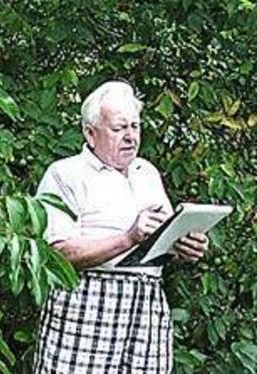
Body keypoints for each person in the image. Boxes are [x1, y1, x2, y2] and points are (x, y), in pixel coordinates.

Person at [32, 81, 209, 373]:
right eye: (118, 129)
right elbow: (56, 254)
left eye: (135, 127)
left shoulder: (147, 172)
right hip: (87, 301)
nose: (130, 137)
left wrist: (186, 246)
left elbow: (163, 239)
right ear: (90, 133)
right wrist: (128, 238)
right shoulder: (65, 174)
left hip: (147, 304)